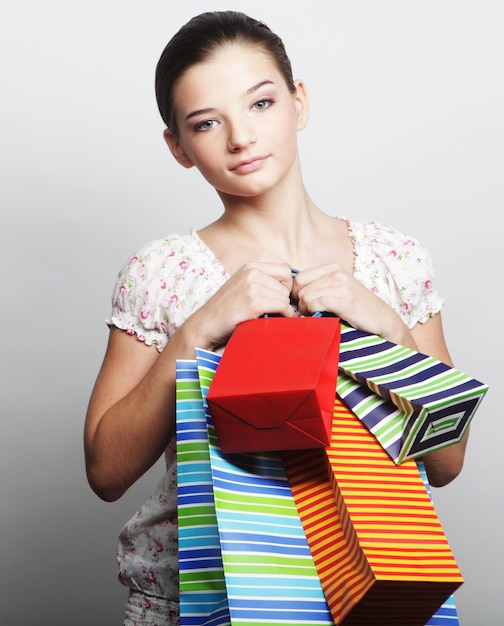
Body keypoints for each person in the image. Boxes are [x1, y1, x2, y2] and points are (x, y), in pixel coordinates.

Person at [84, 10, 469, 625]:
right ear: (178, 147)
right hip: (200, 597)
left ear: (299, 102)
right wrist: (198, 328)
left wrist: (390, 329)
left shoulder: (394, 259)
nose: (241, 138)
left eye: (260, 104)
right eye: (207, 123)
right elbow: (105, 470)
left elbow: (447, 465)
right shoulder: (163, 271)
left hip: (362, 588)